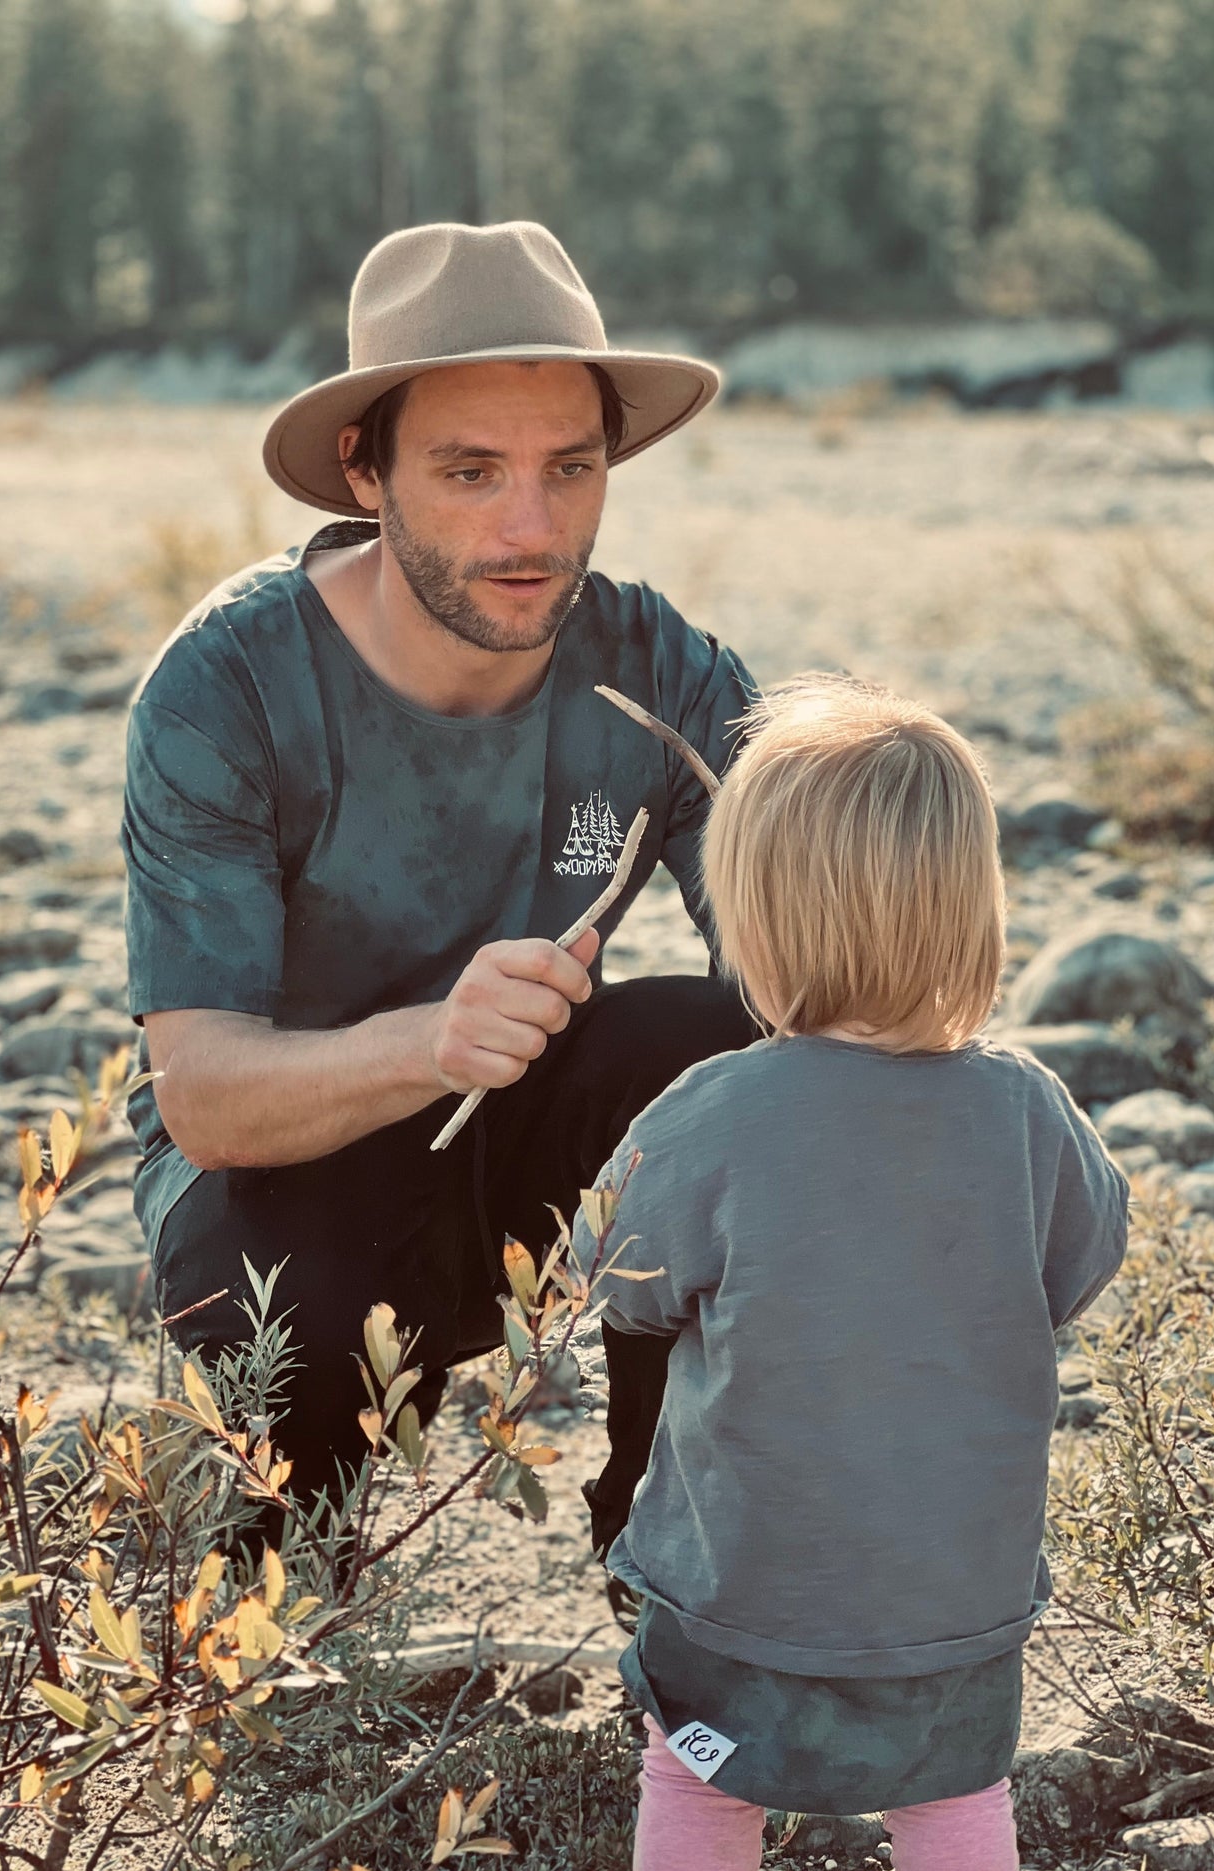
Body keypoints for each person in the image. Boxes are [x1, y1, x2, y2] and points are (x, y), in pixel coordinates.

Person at [120, 219, 758, 1512]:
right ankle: (281, 1558)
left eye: (569, 469)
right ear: (365, 471)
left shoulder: (659, 675)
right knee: (303, 1353)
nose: (532, 527)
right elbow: (201, 1094)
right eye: (470, 472)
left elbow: (811, 966)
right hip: (271, 1200)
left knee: (731, 1045)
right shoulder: (225, 689)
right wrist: (435, 1040)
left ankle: (674, 1548)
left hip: (518, 1153)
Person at [570, 676, 1131, 1871]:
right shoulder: (1024, 1110)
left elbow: (605, 1280)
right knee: (954, 1797)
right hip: (955, 1593)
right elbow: (1080, 1262)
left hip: (743, 1587)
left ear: (754, 924)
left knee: (698, 1785)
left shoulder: (713, 1110)